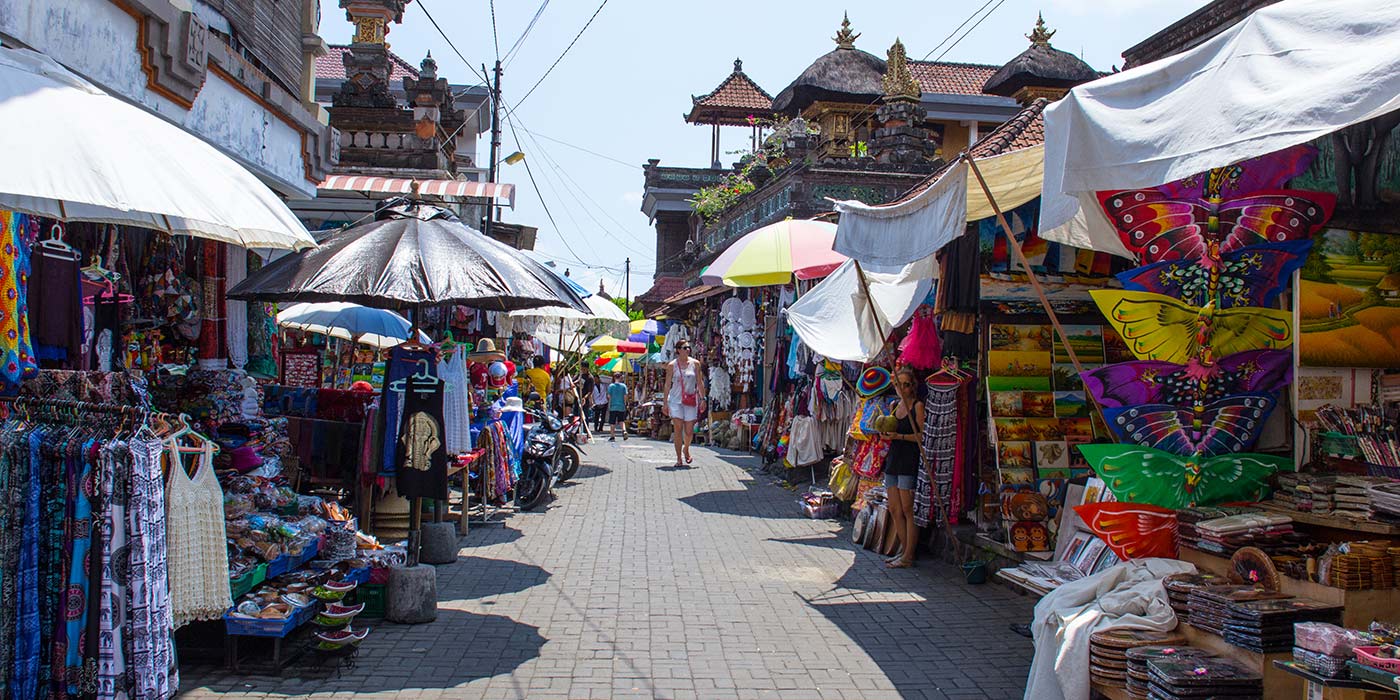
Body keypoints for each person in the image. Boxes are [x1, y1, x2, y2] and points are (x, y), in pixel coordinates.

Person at [880, 366, 925, 568]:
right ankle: (904, 551)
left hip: (909, 459)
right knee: (894, 508)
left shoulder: (917, 406)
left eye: (906, 384)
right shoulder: (893, 407)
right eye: (898, 384)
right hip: (894, 459)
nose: (902, 388)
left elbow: (921, 437)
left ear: (912, 386)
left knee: (908, 508)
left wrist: (900, 437)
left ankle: (909, 554)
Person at [662, 341, 705, 467]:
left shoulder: (695, 364)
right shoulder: (672, 365)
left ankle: (686, 448)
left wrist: (703, 399)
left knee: (689, 431)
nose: (688, 350)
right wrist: (665, 403)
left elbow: (700, 382)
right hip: (675, 401)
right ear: (678, 350)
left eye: (689, 348)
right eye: (685, 348)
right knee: (678, 428)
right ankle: (678, 458)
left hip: (690, 400)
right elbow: (667, 385)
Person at [606, 373, 628, 441]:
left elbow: (609, 397)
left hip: (613, 406)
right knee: (621, 420)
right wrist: (625, 404)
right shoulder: (624, 386)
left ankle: (612, 436)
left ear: (614, 377)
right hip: (621, 406)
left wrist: (609, 406)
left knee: (612, 422)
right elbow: (625, 397)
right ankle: (624, 430)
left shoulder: (611, 386)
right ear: (620, 377)